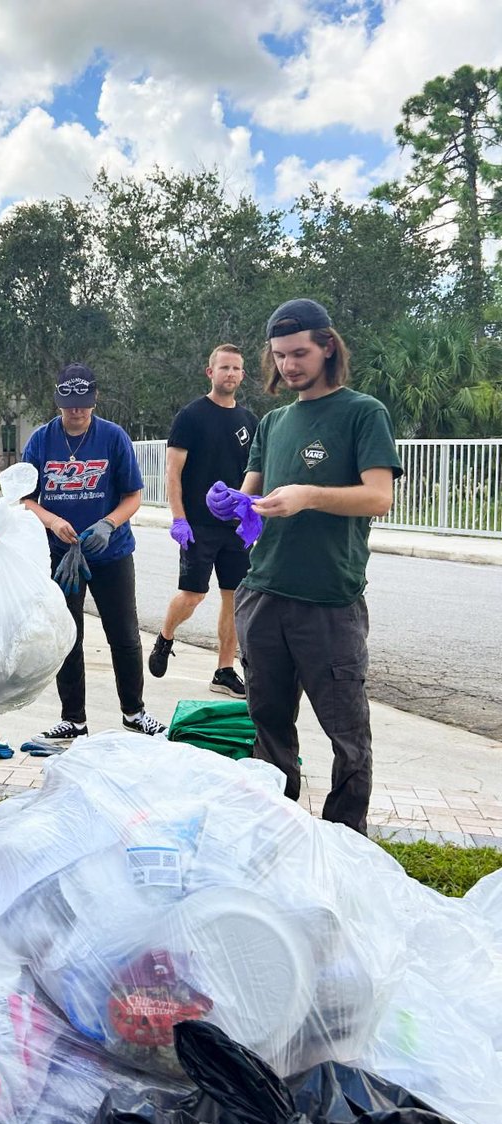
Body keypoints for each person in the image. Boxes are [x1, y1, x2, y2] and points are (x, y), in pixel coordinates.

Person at [215, 299, 402, 835]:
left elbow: (378, 497)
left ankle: (346, 838)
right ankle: (276, 829)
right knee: (268, 724)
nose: (289, 365)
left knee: (347, 732)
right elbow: (250, 498)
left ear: (327, 347)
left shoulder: (363, 413)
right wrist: (229, 501)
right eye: (279, 356)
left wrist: (308, 496)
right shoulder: (273, 423)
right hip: (263, 592)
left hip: (329, 602)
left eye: (299, 353)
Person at [21, 362, 165, 742]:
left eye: (83, 403)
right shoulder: (40, 441)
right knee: (69, 635)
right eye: (69, 404)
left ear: (94, 399)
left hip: (111, 553)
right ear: (58, 402)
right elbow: (24, 499)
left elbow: (133, 496)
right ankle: (74, 719)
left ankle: (134, 713)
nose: (77, 411)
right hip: (61, 557)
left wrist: (109, 523)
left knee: (125, 635)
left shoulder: (113, 438)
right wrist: (51, 521)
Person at [148, 345, 258, 696]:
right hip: (198, 524)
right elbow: (173, 473)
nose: (230, 373)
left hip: (236, 529)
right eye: (224, 367)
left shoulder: (249, 421)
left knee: (235, 598)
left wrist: (252, 511)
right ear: (210, 372)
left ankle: (224, 670)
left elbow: (256, 472)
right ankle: (165, 637)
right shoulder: (191, 416)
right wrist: (179, 519)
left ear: (243, 374)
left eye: (236, 368)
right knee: (193, 595)